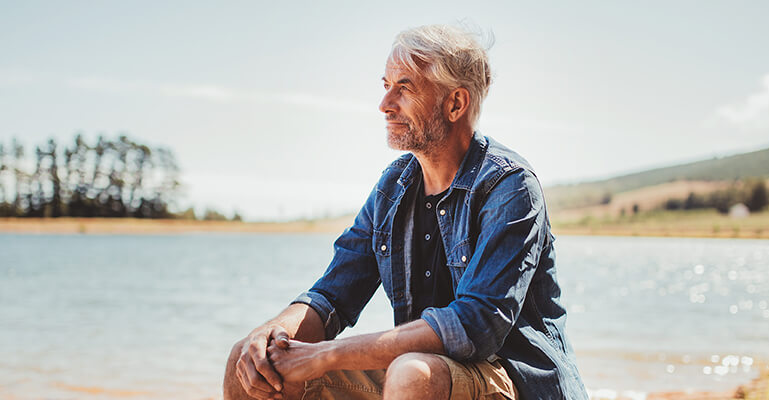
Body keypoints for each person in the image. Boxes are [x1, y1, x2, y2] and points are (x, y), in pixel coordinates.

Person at [224, 24, 587, 400]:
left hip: (514, 380)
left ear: (455, 104)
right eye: (386, 86)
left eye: (405, 87)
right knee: (250, 365)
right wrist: (271, 332)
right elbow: (332, 297)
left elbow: (473, 326)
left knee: (412, 373)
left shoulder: (509, 186)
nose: (385, 104)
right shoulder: (393, 187)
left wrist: (326, 355)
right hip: (421, 369)